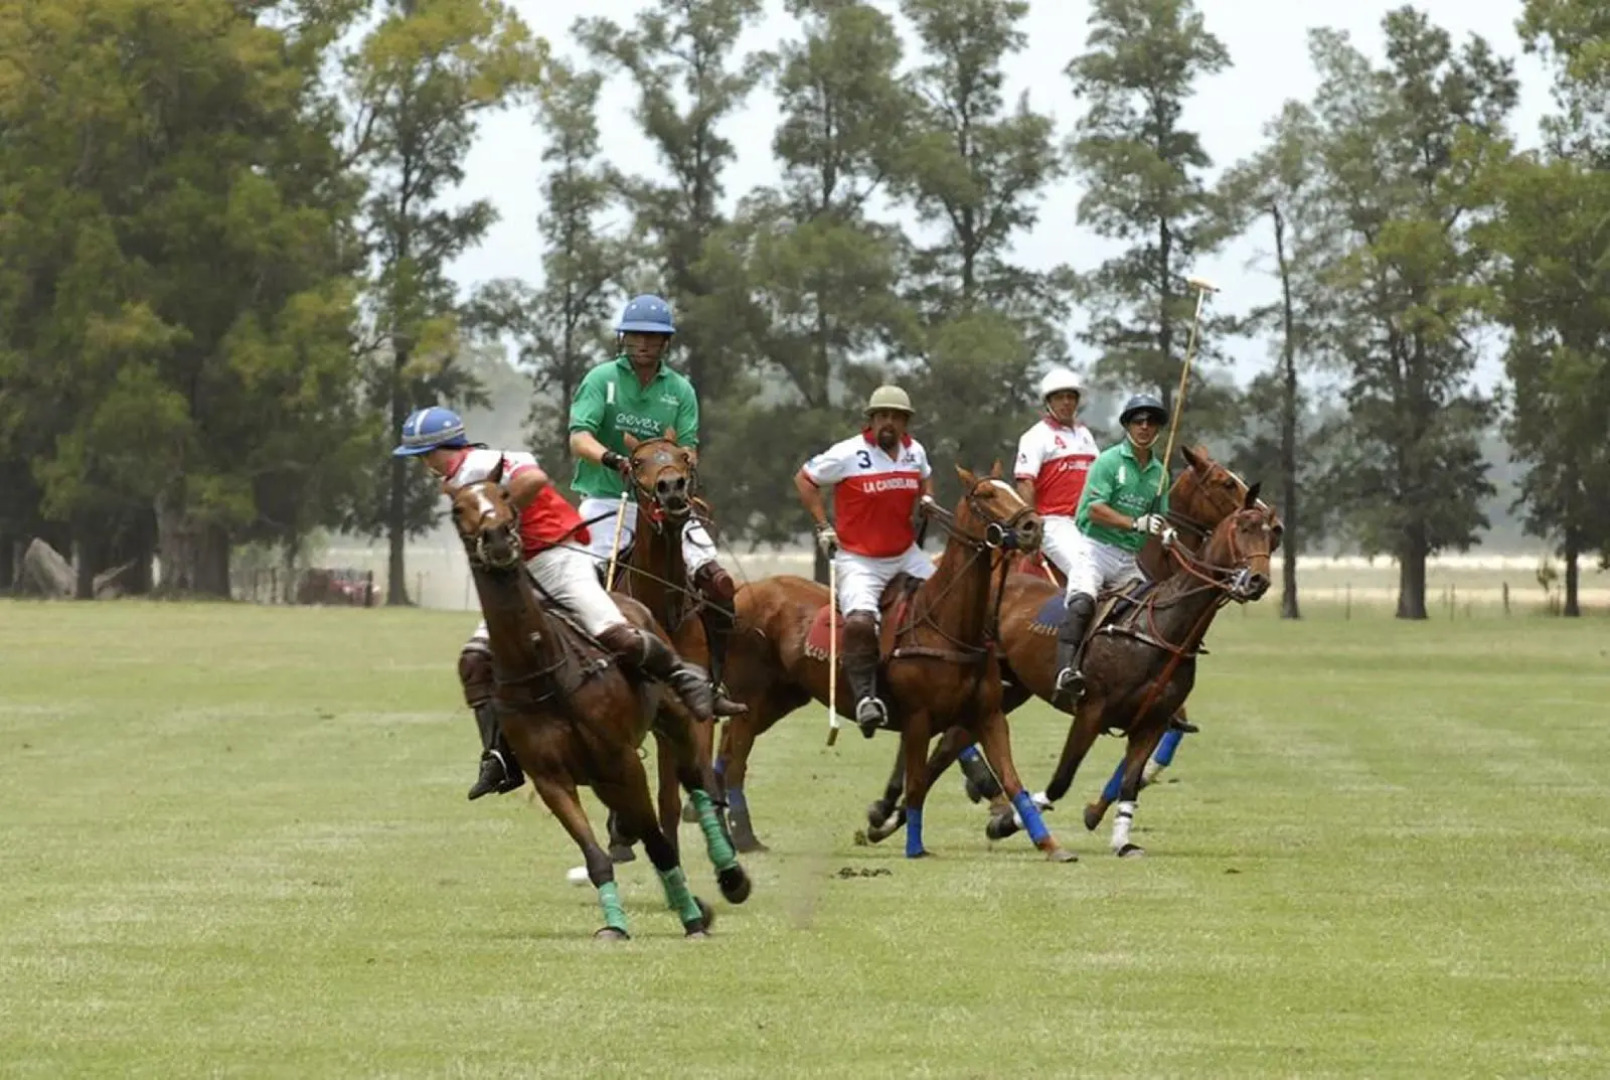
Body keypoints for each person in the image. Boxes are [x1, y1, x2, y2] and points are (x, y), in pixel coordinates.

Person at [393, 406, 741, 802]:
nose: (424, 465)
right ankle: (498, 756)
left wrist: (501, 515)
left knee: (618, 635)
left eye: (425, 455)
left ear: (444, 447)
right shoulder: (454, 482)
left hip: (560, 559)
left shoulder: (485, 463)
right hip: (520, 576)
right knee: (475, 661)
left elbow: (535, 478)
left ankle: (686, 680)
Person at [567, 294, 739, 689]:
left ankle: (716, 678)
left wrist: (679, 465)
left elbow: (690, 447)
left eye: (653, 337)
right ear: (624, 340)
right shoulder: (601, 379)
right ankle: (579, 674)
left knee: (717, 581)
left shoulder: (680, 389)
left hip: (668, 500)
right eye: (635, 336)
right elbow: (580, 438)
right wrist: (614, 460)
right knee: (577, 579)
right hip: (609, 499)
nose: (643, 344)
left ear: (666, 343)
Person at [794, 385, 935, 738]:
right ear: (871, 420)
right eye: (882, 416)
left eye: (896, 417)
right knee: (859, 622)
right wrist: (823, 525)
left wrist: (927, 499)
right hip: (860, 559)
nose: (888, 422)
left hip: (906, 554)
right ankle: (865, 698)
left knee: (946, 601)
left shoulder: (914, 451)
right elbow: (806, 479)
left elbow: (925, 477)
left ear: (905, 423)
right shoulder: (847, 453)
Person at [1052, 393, 1179, 708]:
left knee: (1151, 613)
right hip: (1094, 548)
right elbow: (1095, 509)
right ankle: (1064, 671)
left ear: (1158, 429)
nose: (1145, 426)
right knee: (1082, 602)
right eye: (1138, 420)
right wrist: (1136, 523)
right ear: (1127, 425)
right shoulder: (1108, 461)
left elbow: (1159, 518)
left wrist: (1166, 531)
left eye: (1151, 421)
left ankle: (1146, 686)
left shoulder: (1159, 474)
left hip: (1127, 560)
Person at [1014, 367, 1101, 580]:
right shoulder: (1036, 436)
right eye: (1060, 397)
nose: (1066, 403)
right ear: (1048, 402)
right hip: (1054, 522)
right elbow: (1025, 482)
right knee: (1086, 575)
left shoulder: (1085, 435)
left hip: (1088, 521)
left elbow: (1100, 477)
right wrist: (1032, 526)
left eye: (1071, 397)